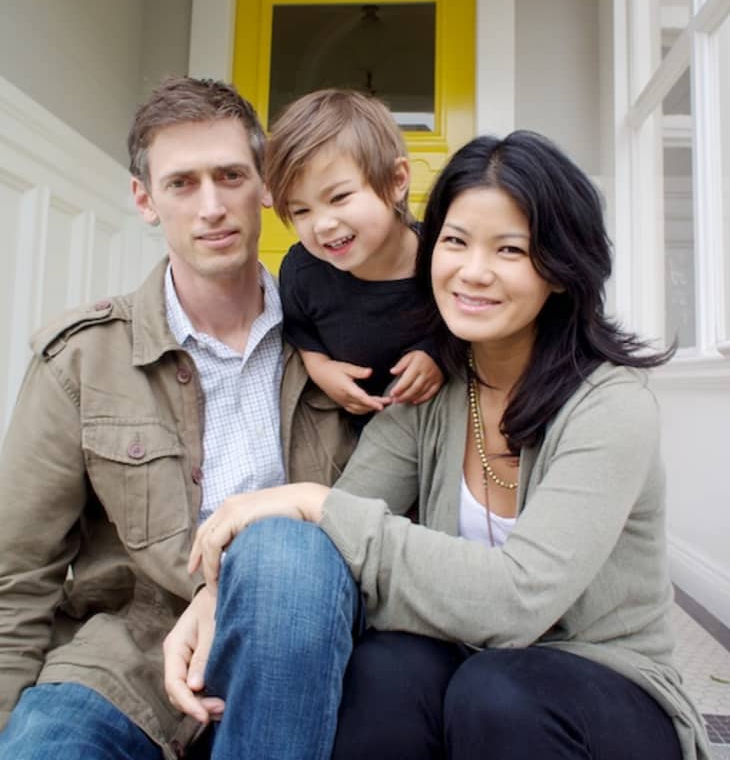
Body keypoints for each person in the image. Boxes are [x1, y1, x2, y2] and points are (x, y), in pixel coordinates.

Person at [165, 130, 711, 760]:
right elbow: (336, 548)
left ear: (559, 269)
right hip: (469, 663)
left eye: (510, 249)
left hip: (609, 684)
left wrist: (314, 500)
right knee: (380, 672)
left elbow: (516, 602)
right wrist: (216, 599)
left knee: (496, 692)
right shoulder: (436, 392)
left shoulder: (610, 405)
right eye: (454, 241)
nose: (472, 272)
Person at [0, 76, 353, 760]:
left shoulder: (342, 351)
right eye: (182, 183)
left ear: (267, 187)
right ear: (144, 199)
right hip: (122, 662)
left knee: (289, 548)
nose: (213, 206)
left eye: (231, 176)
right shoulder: (81, 359)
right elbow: (16, 577)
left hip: (293, 648)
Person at [265, 88, 443, 428]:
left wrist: (438, 357)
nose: (323, 224)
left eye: (339, 197)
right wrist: (321, 370)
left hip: (435, 426)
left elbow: (470, 328)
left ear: (396, 181)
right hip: (348, 434)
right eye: (301, 210)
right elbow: (302, 333)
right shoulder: (303, 272)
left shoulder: (441, 257)